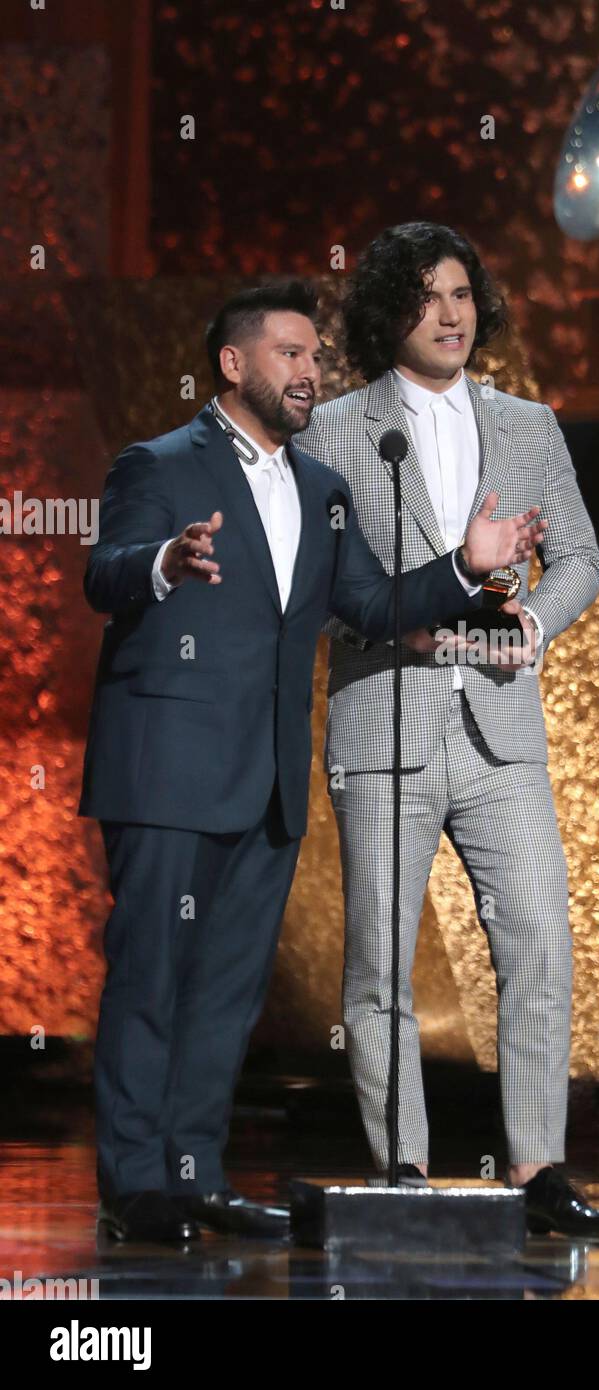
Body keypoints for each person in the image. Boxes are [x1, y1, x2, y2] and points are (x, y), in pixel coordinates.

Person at [79, 279, 546, 1245]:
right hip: (167, 771)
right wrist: (164, 562)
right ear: (233, 365)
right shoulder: (159, 463)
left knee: (224, 990)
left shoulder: (326, 491)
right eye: (289, 355)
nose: (309, 373)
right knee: (151, 976)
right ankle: (134, 1186)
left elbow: (371, 609)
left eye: (315, 357)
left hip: (268, 782)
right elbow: (104, 571)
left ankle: (195, 1174)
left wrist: (465, 564)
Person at [297, 225, 599, 1235]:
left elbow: (580, 557)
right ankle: (401, 1167)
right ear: (385, 312)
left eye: (461, 294)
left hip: (499, 729)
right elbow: (332, 591)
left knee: (538, 941)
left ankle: (539, 1168)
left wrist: (533, 618)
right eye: (425, 295)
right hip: (384, 719)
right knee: (379, 964)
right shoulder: (335, 429)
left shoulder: (528, 423)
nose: (449, 314)